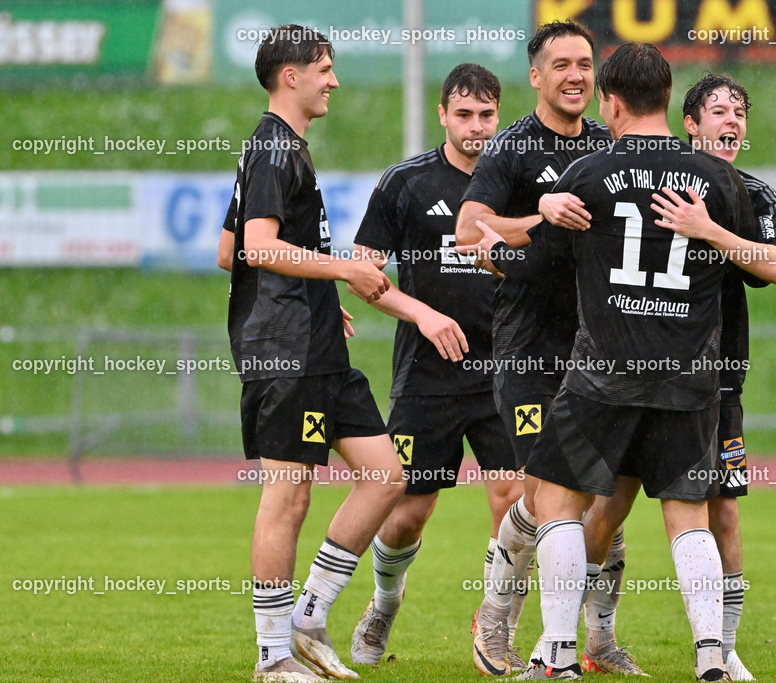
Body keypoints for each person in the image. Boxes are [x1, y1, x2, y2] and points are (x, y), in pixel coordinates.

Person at [466, 42, 776, 681]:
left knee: (558, 503)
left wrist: (494, 252)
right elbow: (760, 264)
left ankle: (556, 656)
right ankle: (711, 660)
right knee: (688, 518)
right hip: (692, 379)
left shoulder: (587, 173)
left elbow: (537, 265)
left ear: (610, 102)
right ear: (670, 100)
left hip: (604, 376)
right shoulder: (720, 181)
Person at [217, 24, 405, 683]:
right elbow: (259, 248)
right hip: (286, 351)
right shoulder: (273, 149)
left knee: (385, 473)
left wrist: (322, 293)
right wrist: (340, 272)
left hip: (316, 340)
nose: (334, 79)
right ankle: (271, 657)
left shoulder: (278, 147)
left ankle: (307, 616)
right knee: (289, 491)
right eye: (323, 68)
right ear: (288, 76)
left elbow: (227, 250)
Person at [454, 20, 641, 677]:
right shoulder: (510, 149)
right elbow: (467, 231)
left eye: (585, 64)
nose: (576, 76)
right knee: (541, 490)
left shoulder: (609, 143)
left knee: (606, 497)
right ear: (536, 76)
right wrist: (541, 213)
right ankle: (496, 618)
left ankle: (597, 639)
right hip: (528, 346)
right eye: (561, 64)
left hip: (599, 344)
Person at [346, 63, 524, 666]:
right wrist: (422, 314)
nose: (476, 126)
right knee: (405, 514)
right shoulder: (407, 183)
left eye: (487, 115)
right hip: (430, 373)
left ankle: (493, 621)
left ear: (499, 116)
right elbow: (363, 273)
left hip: (507, 369)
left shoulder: (519, 182)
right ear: (443, 115)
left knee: (514, 494)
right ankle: (383, 605)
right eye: (464, 114)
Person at [649, 73, 776, 681]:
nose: (731, 121)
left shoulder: (755, 195)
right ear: (690, 124)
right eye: (718, 110)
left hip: (718, 380)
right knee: (603, 507)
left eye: (739, 112)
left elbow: (774, 267)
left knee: (722, 510)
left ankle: (723, 649)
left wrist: (708, 229)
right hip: (635, 371)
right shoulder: (654, 182)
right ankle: (579, 640)